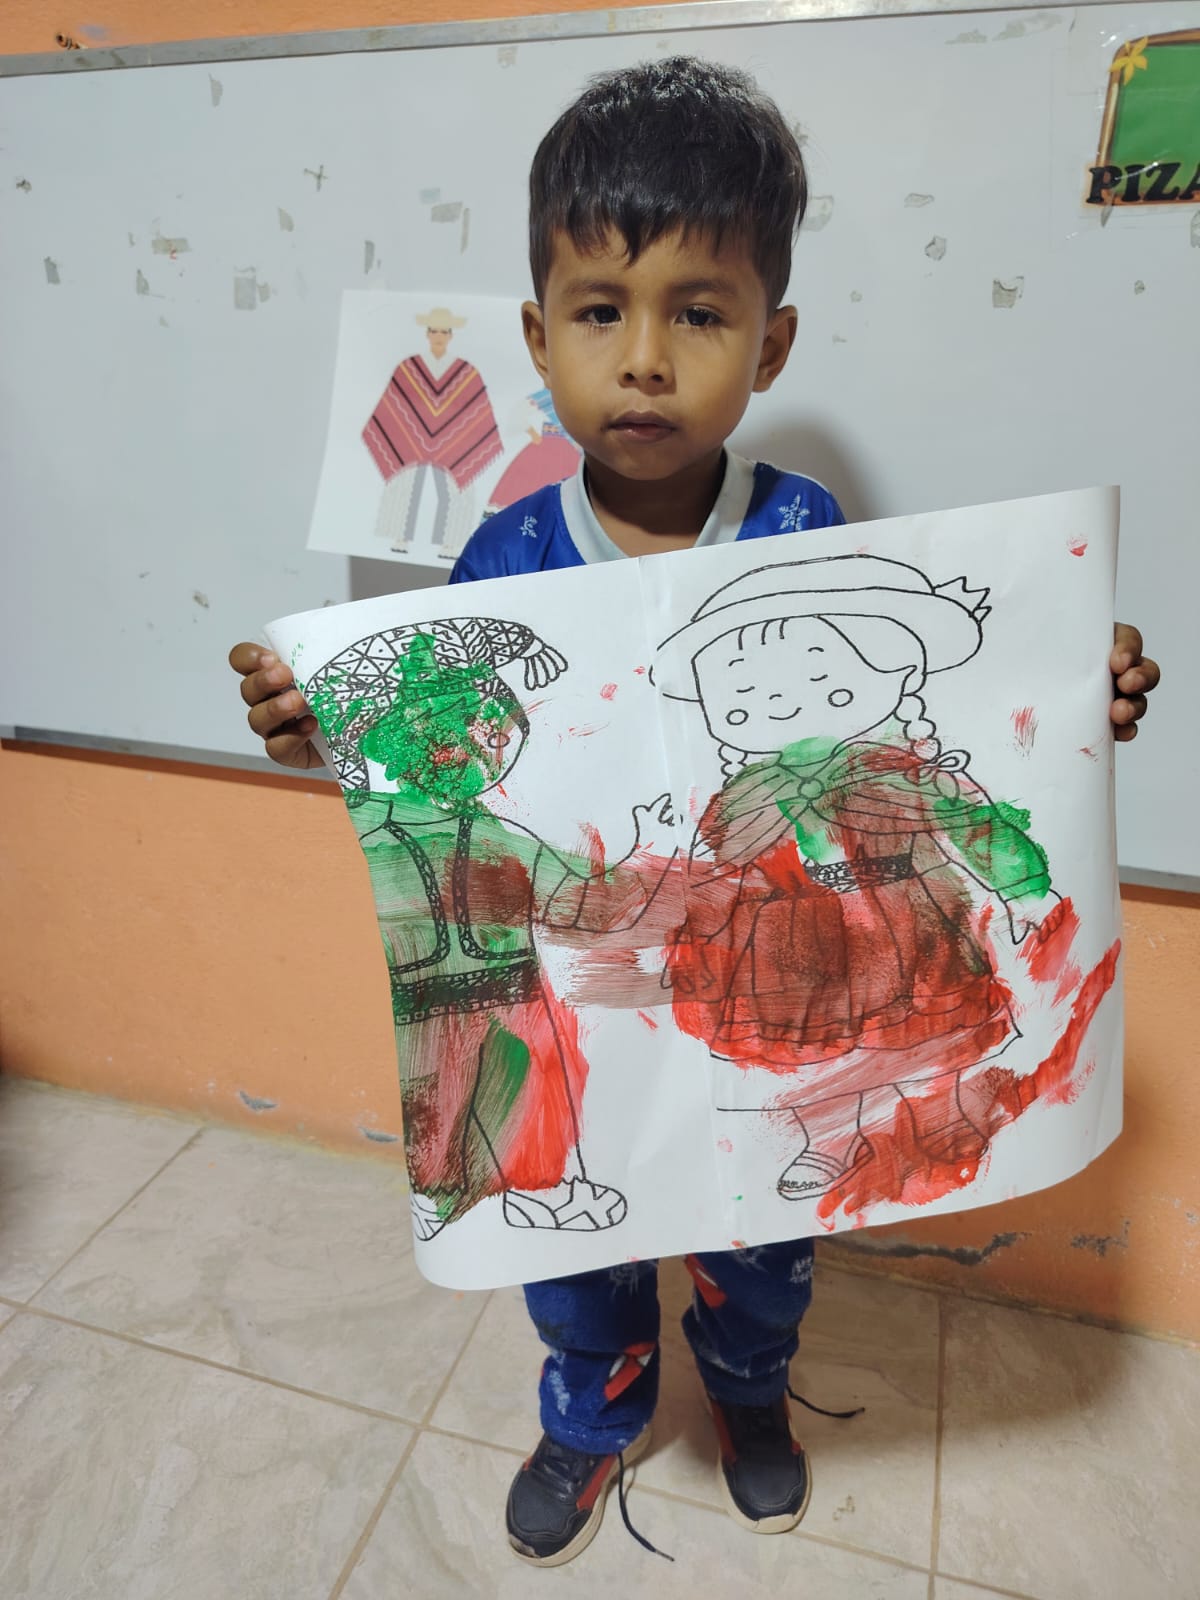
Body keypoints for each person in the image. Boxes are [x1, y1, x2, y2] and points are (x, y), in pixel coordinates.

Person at [230, 57, 1160, 1571]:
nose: (646, 361)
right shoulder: (502, 558)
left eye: (701, 314)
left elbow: (912, 718)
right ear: (538, 338)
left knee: (766, 1235)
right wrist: (321, 730)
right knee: (575, 1228)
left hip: (778, 984)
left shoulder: (807, 532)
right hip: (594, 987)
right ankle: (593, 1411)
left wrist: (1063, 700)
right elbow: (445, 769)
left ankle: (747, 1389)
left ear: (771, 341)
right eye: (601, 312)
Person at [364, 307, 502, 558]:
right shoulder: (409, 367)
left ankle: (451, 542)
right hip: (411, 438)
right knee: (405, 482)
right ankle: (400, 535)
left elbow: (476, 409)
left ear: (451, 335)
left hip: (453, 440)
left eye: (444, 331)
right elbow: (393, 405)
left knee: (456, 487)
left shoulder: (466, 371)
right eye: (434, 331)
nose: (439, 336)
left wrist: (457, 434)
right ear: (427, 334)